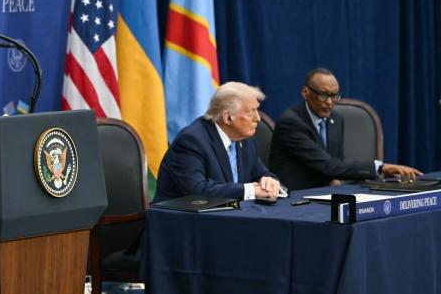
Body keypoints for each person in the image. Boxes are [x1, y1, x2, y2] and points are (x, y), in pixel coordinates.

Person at [269, 68, 421, 190]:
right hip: (296, 198)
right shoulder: (291, 123)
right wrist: (380, 167)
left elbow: (336, 163)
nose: (329, 102)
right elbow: (327, 165)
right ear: (305, 93)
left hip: (326, 193)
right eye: (323, 95)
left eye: (334, 95)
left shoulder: (336, 119)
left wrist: (335, 179)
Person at [154, 82, 280, 202]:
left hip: (228, 215)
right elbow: (196, 190)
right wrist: (250, 190)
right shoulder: (192, 141)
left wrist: (269, 181)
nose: (257, 118)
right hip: (182, 219)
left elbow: (260, 172)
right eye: (251, 112)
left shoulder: (246, 139)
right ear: (227, 117)